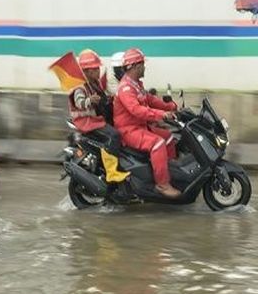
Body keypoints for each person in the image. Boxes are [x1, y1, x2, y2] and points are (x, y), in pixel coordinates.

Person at [113, 48, 181, 198]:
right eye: (143, 64)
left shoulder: (136, 84)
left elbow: (150, 100)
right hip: (129, 130)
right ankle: (162, 184)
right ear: (136, 66)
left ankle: (170, 173)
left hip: (141, 126)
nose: (145, 67)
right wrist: (162, 115)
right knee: (157, 143)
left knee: (169, 137)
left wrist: (170, 107)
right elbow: (137, 110)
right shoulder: (125, 88)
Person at [68, 49, 119, 147]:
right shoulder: (80, 87)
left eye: (98, 68)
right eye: (95, 69)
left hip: (97, 117)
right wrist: (89, 100)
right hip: (87, 121)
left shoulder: (95, 83)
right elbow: (79, 102)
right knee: (114, 135)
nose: (98, 71)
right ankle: (110, 162)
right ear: (87, 72)